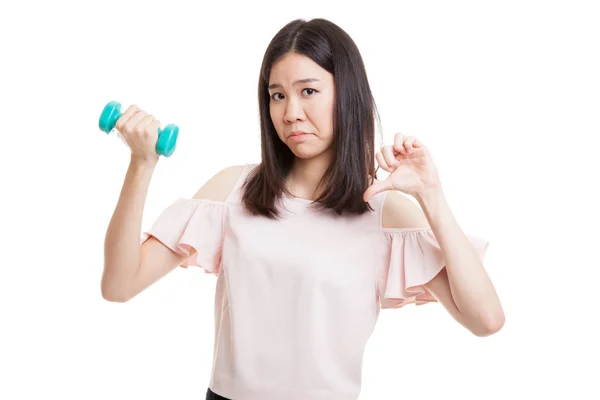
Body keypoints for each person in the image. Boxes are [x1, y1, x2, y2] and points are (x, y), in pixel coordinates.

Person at [101, 18, 504, 400]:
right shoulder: (233, 191)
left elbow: (486, 320)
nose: (290, 112)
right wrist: (141, 164)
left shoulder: (386, 214)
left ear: (346, 94)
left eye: (308, 91)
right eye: (278, 95)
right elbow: (119, 285)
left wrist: (431, 195)